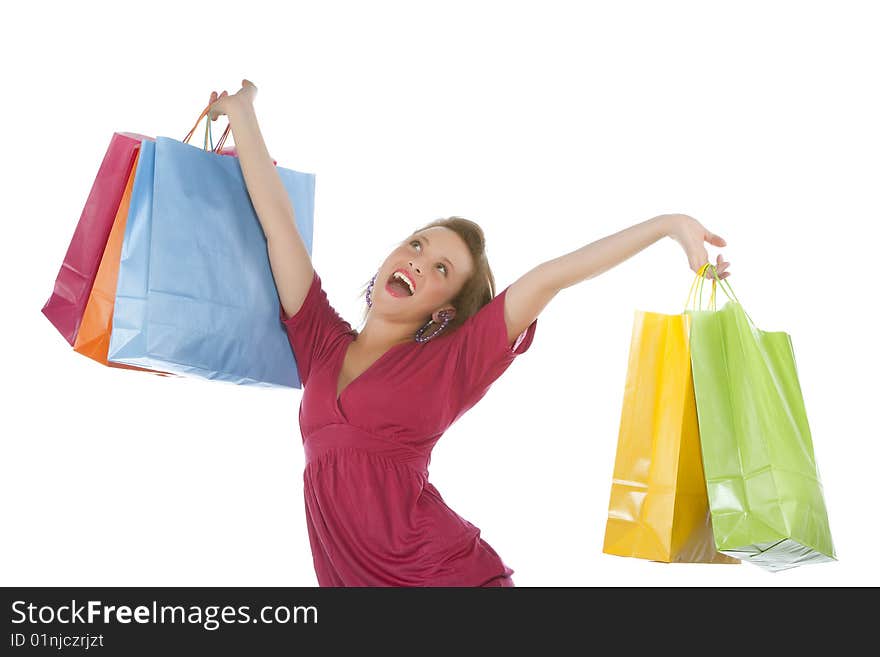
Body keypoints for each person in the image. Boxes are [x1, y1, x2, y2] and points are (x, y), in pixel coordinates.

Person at [207, 80, 732, 587]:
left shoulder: (452, 362)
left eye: (440, 270)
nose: (418, 264)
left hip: (444, 579)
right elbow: (278, 222)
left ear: (445, 310)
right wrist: (243, 111)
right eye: (416, 246)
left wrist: (667, 225)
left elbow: (549, 278)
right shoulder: (320, 339)